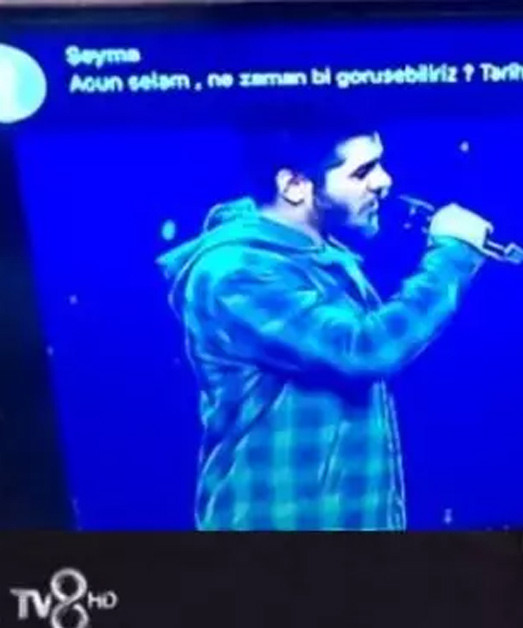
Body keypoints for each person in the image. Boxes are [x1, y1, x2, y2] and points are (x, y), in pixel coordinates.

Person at [157, 122, 494, 530]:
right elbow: (363, 350)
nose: (384, 181)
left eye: (380, 164)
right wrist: (452, 256)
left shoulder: (319, 255)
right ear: (294, 185)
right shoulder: (235, 272)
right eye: (362, 171)